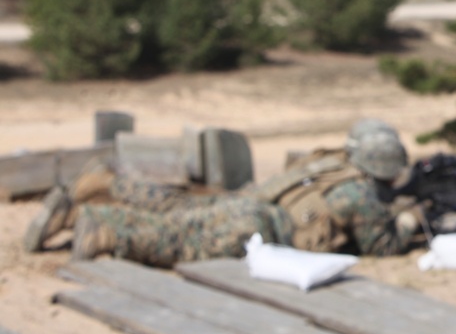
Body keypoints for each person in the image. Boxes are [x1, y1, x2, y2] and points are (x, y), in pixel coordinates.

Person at [25, 119, 423, 266]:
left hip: (249, 201)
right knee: (176, 237)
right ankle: (95, 225)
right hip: (258, 228)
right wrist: (408, 221)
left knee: (179, 208)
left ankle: (108, 184)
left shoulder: (330, 162)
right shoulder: (361, 195)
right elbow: (381, 246)